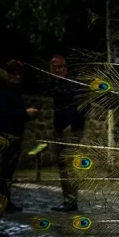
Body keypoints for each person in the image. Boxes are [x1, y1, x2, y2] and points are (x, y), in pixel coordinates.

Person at [0, 60, 39, 213]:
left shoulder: (15, 90)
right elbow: (5, 111)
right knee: (4, 169)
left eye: (19, 74)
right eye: (14, 74)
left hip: (15, 133)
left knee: (9, 170)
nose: (17, 77)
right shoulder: (5, 90)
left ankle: (6, 201)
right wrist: (24, 113)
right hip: (7, 133)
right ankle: (2, 201)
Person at [49, 54, 88, 212]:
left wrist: (74, 126)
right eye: (56, 67)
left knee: (70, 165)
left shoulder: (73, 84)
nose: (60, 70)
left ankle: (71, 200)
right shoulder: (55, 84)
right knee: (63, 165)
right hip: (59, 129)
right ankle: (68, 199)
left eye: (62, 67)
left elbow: (85, 105)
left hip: (70, 130)